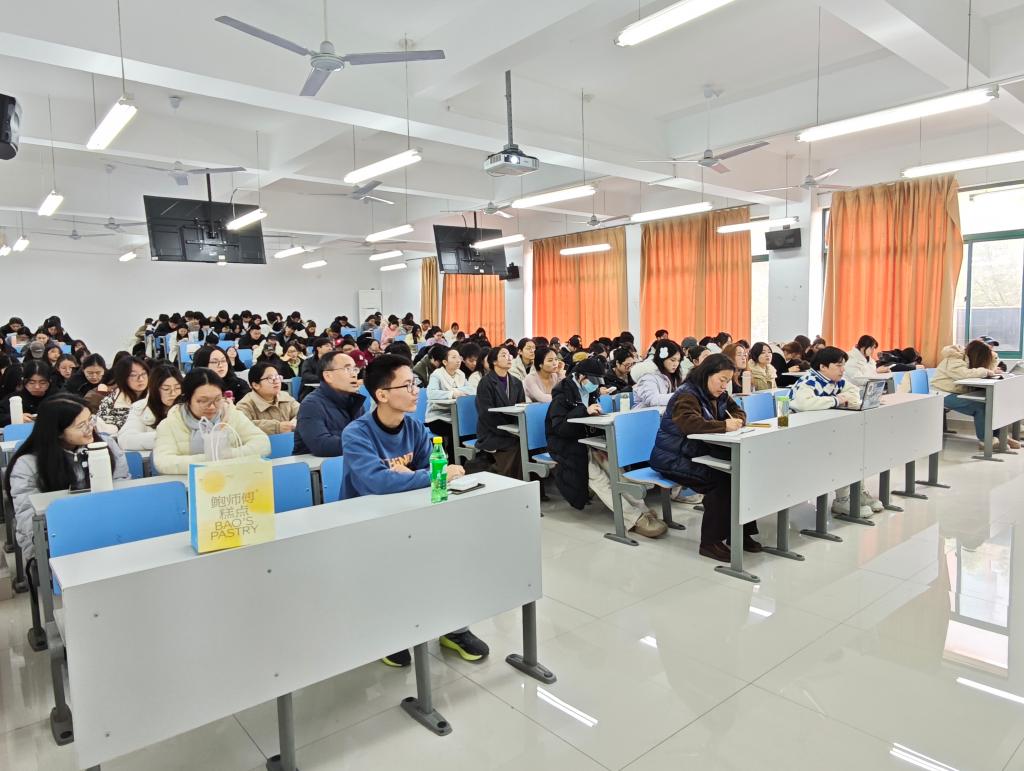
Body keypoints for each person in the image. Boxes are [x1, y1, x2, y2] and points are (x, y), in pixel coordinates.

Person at [339, 354, 487, 666]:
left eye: (415, 383)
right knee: (390, 573)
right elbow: (378, 483)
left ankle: (453, 628)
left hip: (411, 513)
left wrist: (412, 476)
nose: (415, 390)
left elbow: (436, 471)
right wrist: (424, 476)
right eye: (407, 385)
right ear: (382, 394)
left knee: (450, 553)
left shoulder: (415, 428)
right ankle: (387, 633)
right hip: (366, 523)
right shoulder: (356, 433)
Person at [650, 354, 759, 561]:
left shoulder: (718, 393)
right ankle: (710, 542)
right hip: (673, 458)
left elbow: (737, 411)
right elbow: (690, 424)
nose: (725, 386)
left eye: (728, 381)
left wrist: (737, 420)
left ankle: (740, 534)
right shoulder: (686, 395)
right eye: (722, 380)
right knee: (722, 481)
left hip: (698, 454)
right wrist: (724, 425)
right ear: (707, 374)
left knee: (742, 474)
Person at [546, 358, 666, 538]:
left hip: (588, 441)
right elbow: (559, 428)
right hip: (567, 446)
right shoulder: (563, 394)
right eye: (593, 381)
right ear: (581, 377)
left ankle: (642, 509)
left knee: (616, 471)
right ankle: (634, 519)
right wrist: (584, 411)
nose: (596, 386)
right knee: (599, 479)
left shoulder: (590, 391)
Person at [7, 395, 130, 560]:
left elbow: (123, 490)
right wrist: (42, 558)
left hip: (111, 527)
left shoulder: (106, 446)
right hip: (62, 541)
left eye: (90, 420)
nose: (90, 428)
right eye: (81, 425)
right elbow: (29, 519)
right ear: (57, 432)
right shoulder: (28, 464)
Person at [792, 346, 881, 516]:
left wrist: (839, 399)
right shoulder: (809, 381)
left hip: (822, 430)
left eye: (843, 365)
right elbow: (804, 403)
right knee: (844, 450)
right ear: (823, 367)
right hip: (801, 435)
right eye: (838, 365)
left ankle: (857, 492)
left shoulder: (836, 381)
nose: (843, 370)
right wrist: (835, 400)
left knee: (856, 446)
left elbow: (854, 393)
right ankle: (842, 499)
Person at [152, 368, 269, 474]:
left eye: (218, 399)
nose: (212, 407)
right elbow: (163, 462)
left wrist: (228, 454)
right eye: (203, 401)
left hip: (232, 480)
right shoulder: (171, 424)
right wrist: (210, 458)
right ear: (187, 399)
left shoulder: (231, 414)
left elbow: (263, 444)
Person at [932, 340, 1019, 449]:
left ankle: (1000, 436)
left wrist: (992, 357)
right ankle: (985, 440)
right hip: (941, 393)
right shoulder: (955, 357)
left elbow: (988, 368)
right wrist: (985, 371)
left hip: (955, 391)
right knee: (980, 406)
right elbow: (962, 374)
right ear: (977, 355)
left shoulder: (970, 358)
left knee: (993, 404)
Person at [293, 350, 365, 456]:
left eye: (355, 369)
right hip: (316, 466)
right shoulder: (311, 405)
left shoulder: (355, 401)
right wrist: (364, 443)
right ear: (328, 376)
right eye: (347, 369)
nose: (354, 374)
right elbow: (322, 445)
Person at [474, 346, 526, 478]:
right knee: (517, 444)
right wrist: (508, 431)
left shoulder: (517, 382)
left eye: (509, 355)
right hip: (491, 432)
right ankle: (511, 481)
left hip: (513, 430)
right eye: (504, 355)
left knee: (526, 441)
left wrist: (516, 429)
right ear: (494, 361)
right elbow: (486, 414)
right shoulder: (485, 383)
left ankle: (530, 483)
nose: (509, 358)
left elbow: (521, 408)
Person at [119, 366, 183, 451]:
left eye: (178, 388)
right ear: (155, 390)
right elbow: (126, 440)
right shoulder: (140, 408)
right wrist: (164, 437)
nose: (173, 393)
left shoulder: (189, 406)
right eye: (166, 389)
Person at [425, 347, 473, 460]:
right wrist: (452, 393)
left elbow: (471, 390)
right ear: (445, 362)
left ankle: (460, 461)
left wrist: (456, 391)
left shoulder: (461, 374)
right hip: (437, 417)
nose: (458, 360)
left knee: (466, 429)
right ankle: (453, 461)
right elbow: (431, 393)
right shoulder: (437, 375)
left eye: (459, 357)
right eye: (454, 357)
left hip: (455, 416)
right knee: (456, 430)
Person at [236, 362, 300, 436]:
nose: (276, 381)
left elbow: (302, 412)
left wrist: (295, 422)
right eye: (270, 378)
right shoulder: (244, 405)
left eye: (277, 377)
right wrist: (276, 427)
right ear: (255, 385)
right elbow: (242, 427)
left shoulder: (284, 396)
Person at [96, 356, 150, 435]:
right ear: (122, 378)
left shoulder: (156, 396)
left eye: (143, 373)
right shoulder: (110, 401)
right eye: (133, 375)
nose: (141, 379)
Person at [1, 361, 55, 425]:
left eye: (42, 383)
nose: (37, 387)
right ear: (24, 381)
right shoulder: (15, 398)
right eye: (32, 383)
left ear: (49, 381)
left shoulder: (57, 397)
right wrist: (15, 417)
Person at [633, 341, 683, 409]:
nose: (676, 364)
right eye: (673, 360)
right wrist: (678, 396)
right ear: (662, 359)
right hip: (644, 413)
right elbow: (652, 399)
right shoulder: (648, 375)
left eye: (678, 360)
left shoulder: (672, 375)